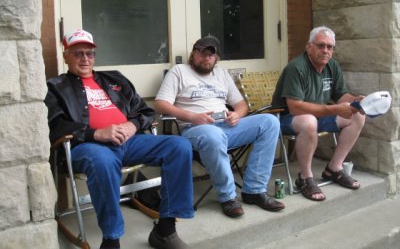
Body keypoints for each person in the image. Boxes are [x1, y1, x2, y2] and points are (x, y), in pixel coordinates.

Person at [45, 29, 194, 249]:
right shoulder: (56, 87)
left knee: (179, 146)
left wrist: (132, 125)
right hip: (89, 147)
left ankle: (165, 229)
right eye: (78, 54)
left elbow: (145, 111)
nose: (85, 59)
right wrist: (96, 133)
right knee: (102, 161)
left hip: (129, 142)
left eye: (90, 53)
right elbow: (54, 126)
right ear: (66, 55)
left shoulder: (114, 79)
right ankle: (111, 240)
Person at [154, 36, 284, 218]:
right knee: (213, 135)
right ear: (193, 53)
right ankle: (228, 197)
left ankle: (254, 190)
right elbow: (160, 104)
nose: (205, 58)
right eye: (201, 53)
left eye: (210, 55)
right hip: (195, 129)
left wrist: (236, 115)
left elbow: (241, 105)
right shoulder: (179, 72)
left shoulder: (222, 75)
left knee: (270, 122)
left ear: (216, 58)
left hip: (226, 127)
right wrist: (193, 116)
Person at [271, 26, 366, 201]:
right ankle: (305, 178)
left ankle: (334, 169)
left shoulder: (332, 66)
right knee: (308, 121)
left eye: (330, 47)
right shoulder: (296, 68)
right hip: (286, 119)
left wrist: (356, 101)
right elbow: (295, 107)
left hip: (318, 116)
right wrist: (336, 109)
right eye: (321, 45)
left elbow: (340, 95)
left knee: (358, 115)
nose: (325, 50)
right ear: (309, 46)